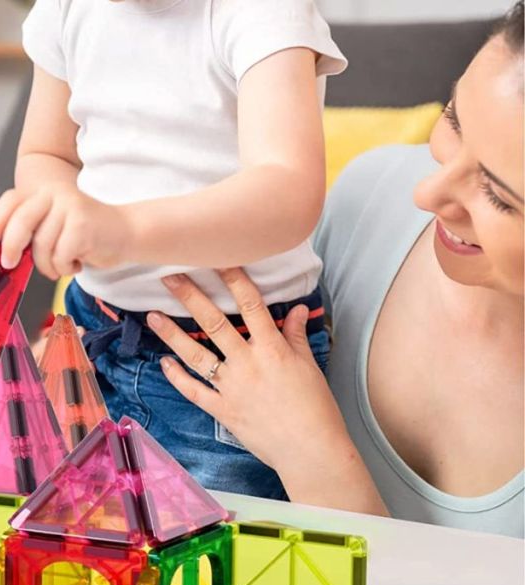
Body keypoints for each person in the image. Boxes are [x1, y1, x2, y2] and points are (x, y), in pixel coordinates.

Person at [148, 3, 524, 536]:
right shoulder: (370, 192)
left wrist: (314, 457)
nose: (428, 192)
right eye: (455, 121)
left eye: (497, 194)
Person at [0, 0, 347, 498]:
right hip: (96, 329)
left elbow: (288, 192)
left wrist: (125, 229)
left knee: (215, 565)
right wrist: (55, 199)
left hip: (230, 363)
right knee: (71, 544)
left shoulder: (264, 12)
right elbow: (48, 153)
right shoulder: (67, 8)